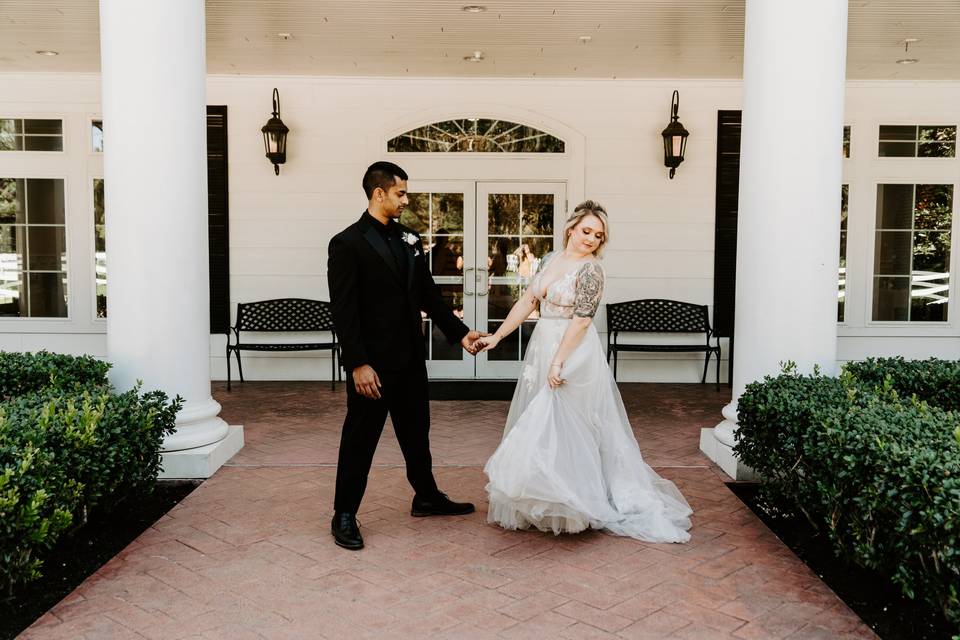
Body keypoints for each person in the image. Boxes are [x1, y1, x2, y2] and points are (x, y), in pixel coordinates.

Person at [476, 201, 692, 543]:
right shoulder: (551, 260)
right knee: (542, 421)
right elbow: (528, 301)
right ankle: (543, 497)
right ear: (571, 229)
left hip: (574, 351)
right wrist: (497, 336)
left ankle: (577, 503)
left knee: (570, 423)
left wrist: (559, 361)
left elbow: (582, 320)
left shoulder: (592, 270)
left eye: (598, 235)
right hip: (543, 343)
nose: (591, 238)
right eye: (586, 231)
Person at [326, 161, 486, 550]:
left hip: (411, 360)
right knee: (360, 439)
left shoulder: (411, 240)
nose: (406, 200)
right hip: (373, 368)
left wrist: (461, 334)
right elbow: (344, 311)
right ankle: (344, 513)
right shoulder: (346, 244)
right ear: (378, 193)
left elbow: (428, 295)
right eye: (401, 193)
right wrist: (357, 363)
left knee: (417, 434)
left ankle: (426, 496)